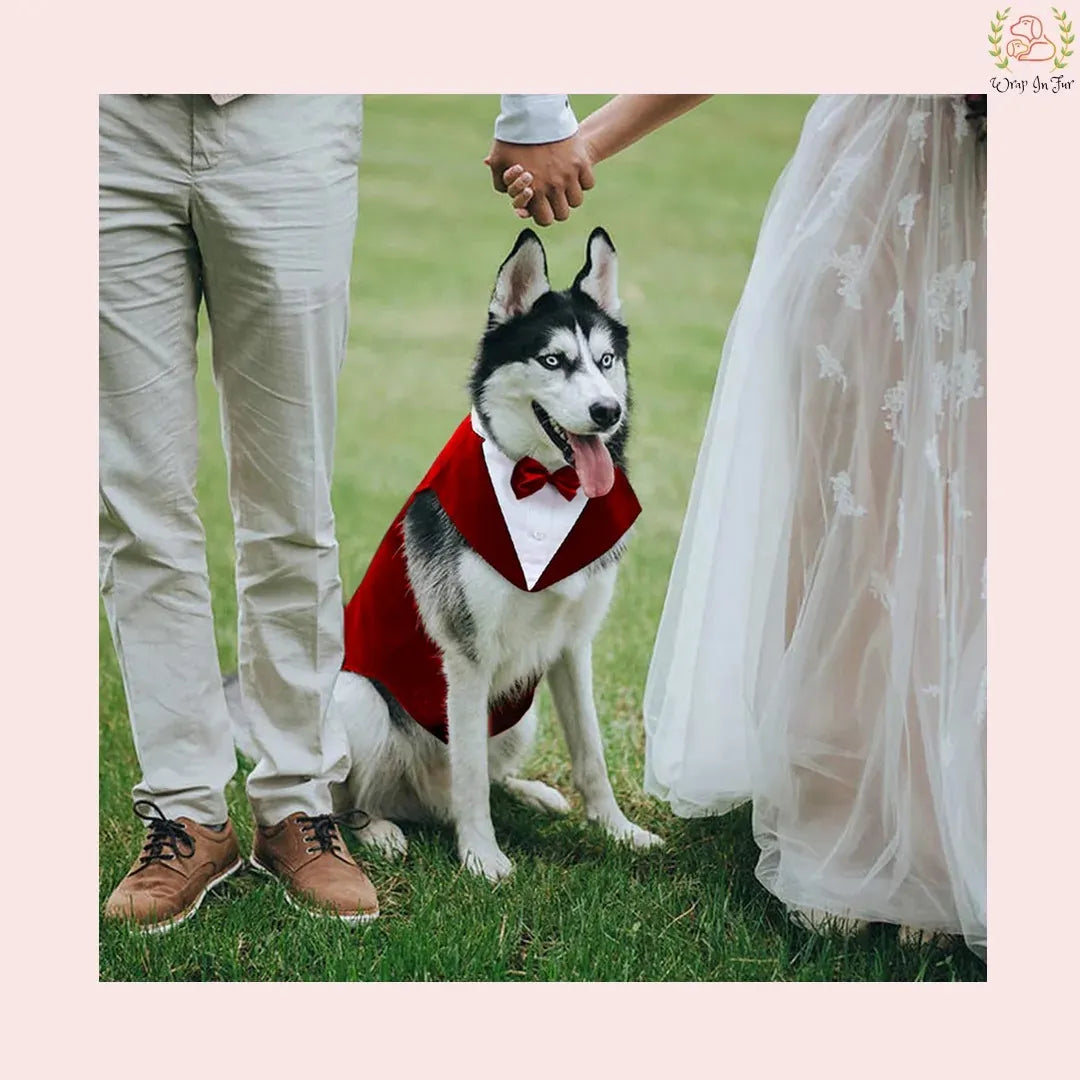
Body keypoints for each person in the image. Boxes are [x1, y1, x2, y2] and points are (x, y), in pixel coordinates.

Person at [489, 95, 987, 958]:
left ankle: (962, 805)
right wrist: (583, 141)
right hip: (874, 187)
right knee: (851, 504)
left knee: (980, 501)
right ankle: (846, 809)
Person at [100, 95, 378, 930]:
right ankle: (185, 812)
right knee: (137, 502)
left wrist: (533, 107)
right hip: (105, 119)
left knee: (291, 496)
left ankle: (298, 799)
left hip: (288, 114)